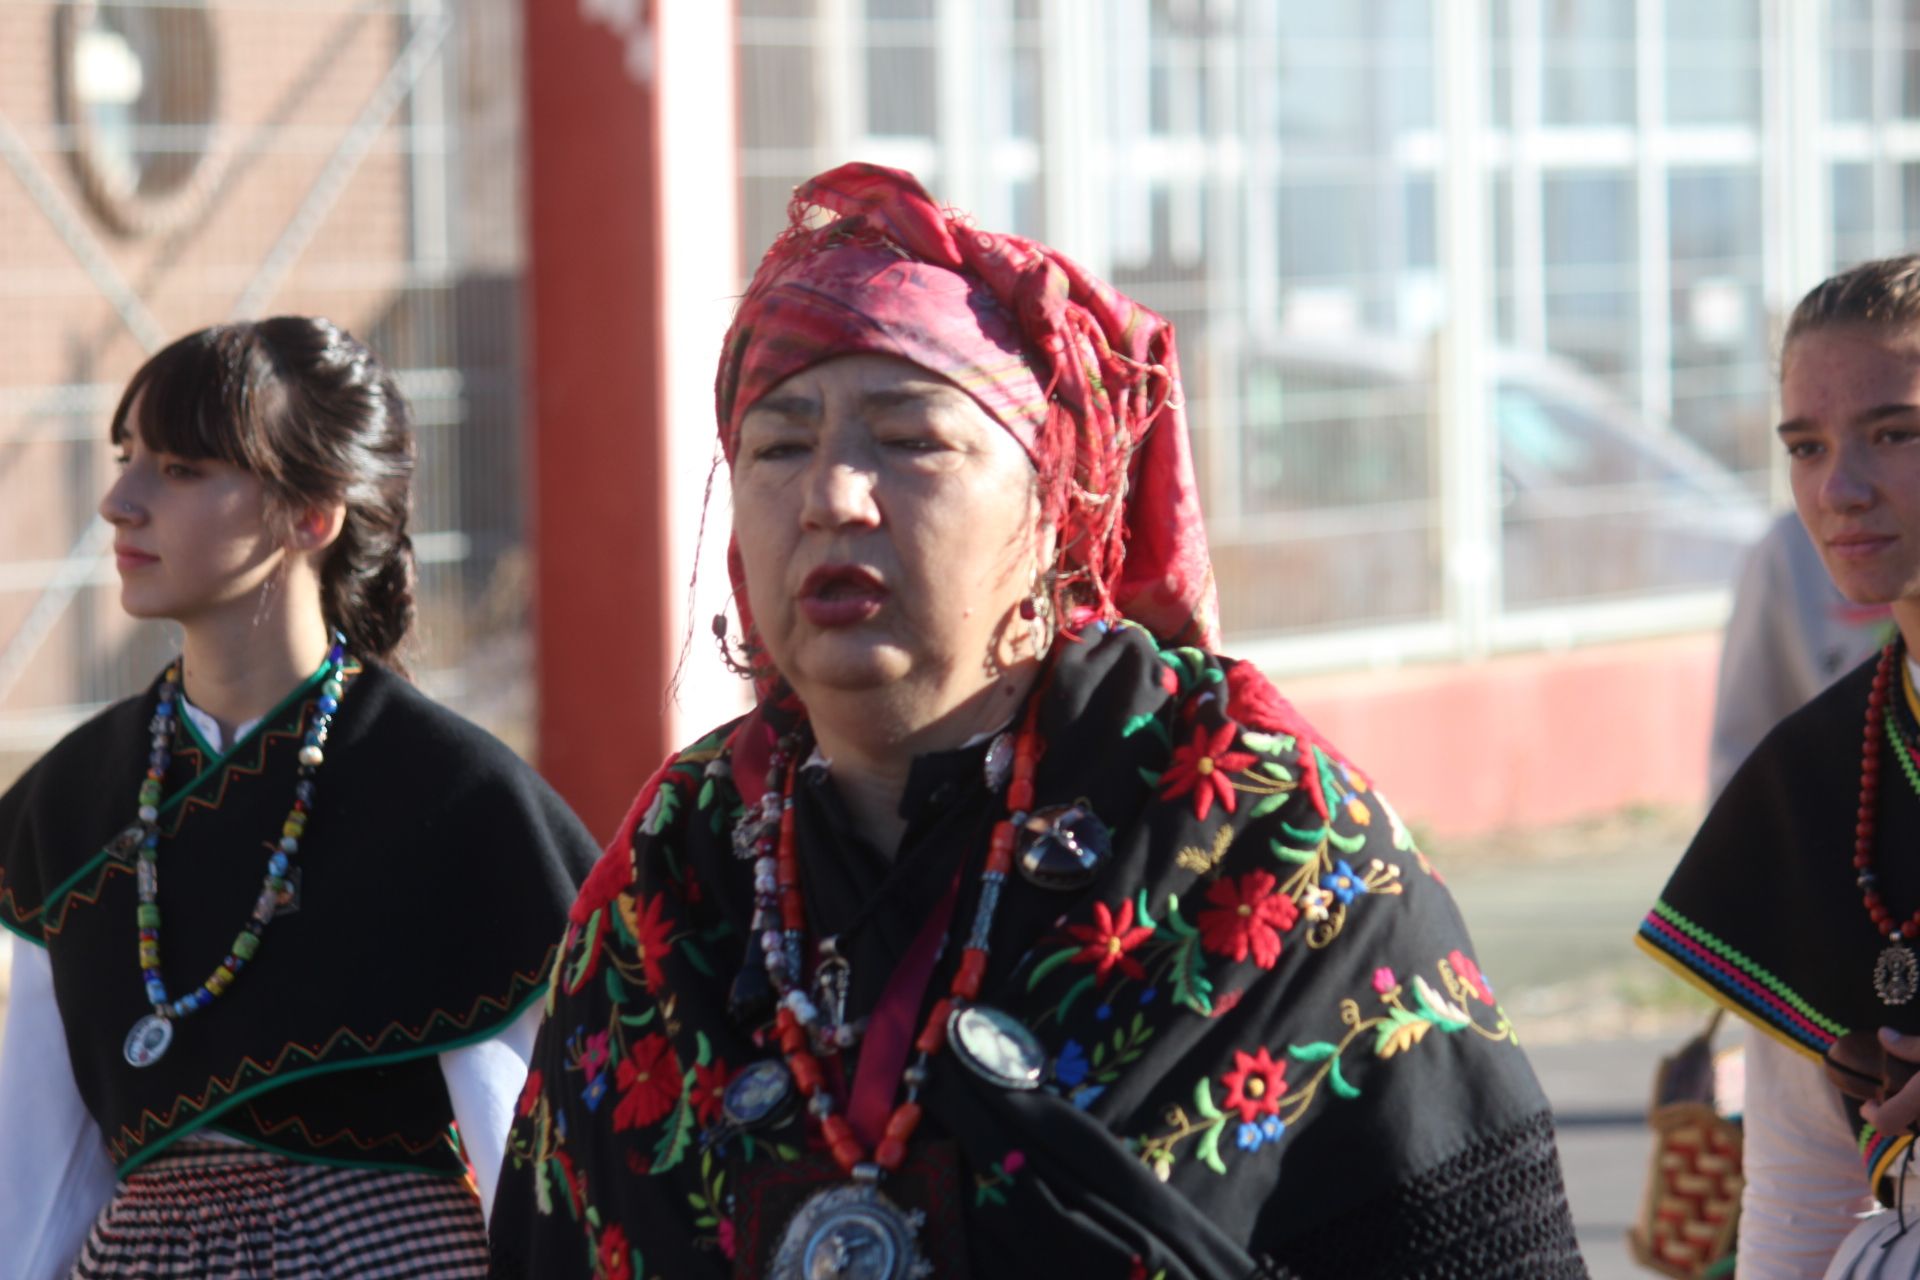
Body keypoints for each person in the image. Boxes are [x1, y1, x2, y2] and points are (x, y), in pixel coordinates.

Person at [488, 163, 1586, 1278]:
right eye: (780, 446)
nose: (831, 495)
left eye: (908, 438)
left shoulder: (1268, 846)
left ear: (1052, 506)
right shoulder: (673, 881)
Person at [0, 318, 599, 1278]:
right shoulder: (73, 801)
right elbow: (36, 1177)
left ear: (311, 515)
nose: (120, 502)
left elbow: (531, 1159)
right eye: (127, 460)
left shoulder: (452, 798)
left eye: (182, 469)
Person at [1640, 254, 1920, 1278]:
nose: (1839, 488)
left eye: (1896, 433)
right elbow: (1803, 1183)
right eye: (1806, 445)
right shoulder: (1813, 780)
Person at [1710, 508, 1890, 797]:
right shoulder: (1791, 550)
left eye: (1889, 457)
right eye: (1807, 458)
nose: (1837, 491)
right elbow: (1743, 753)